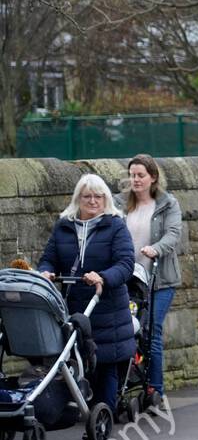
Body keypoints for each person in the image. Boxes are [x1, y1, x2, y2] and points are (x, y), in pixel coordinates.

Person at [38, 174, 136, 415]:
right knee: (77, 360)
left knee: (105, 363)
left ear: (105, 200)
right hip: (73, 306)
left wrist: (103, 277)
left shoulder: (115, 225)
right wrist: (46, 273)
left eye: (98, 196)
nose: (93, 201)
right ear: (78, 199)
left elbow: (125, 263)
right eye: (87, 196)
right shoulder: (64, 226)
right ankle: (81, 408)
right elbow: (49, 258)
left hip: (106, 306)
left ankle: (106, 414)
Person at [116, 154, 183, 408]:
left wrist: (156, 248)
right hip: (128, 281)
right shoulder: (120, 204)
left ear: (152, 177)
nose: (135, 179)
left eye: (140, 175)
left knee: (151, 331)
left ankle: (156, 391)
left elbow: (173, 234)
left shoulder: (167, 204)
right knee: (128, 332)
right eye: (132, 175)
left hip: (160, 280)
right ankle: (126, 385)